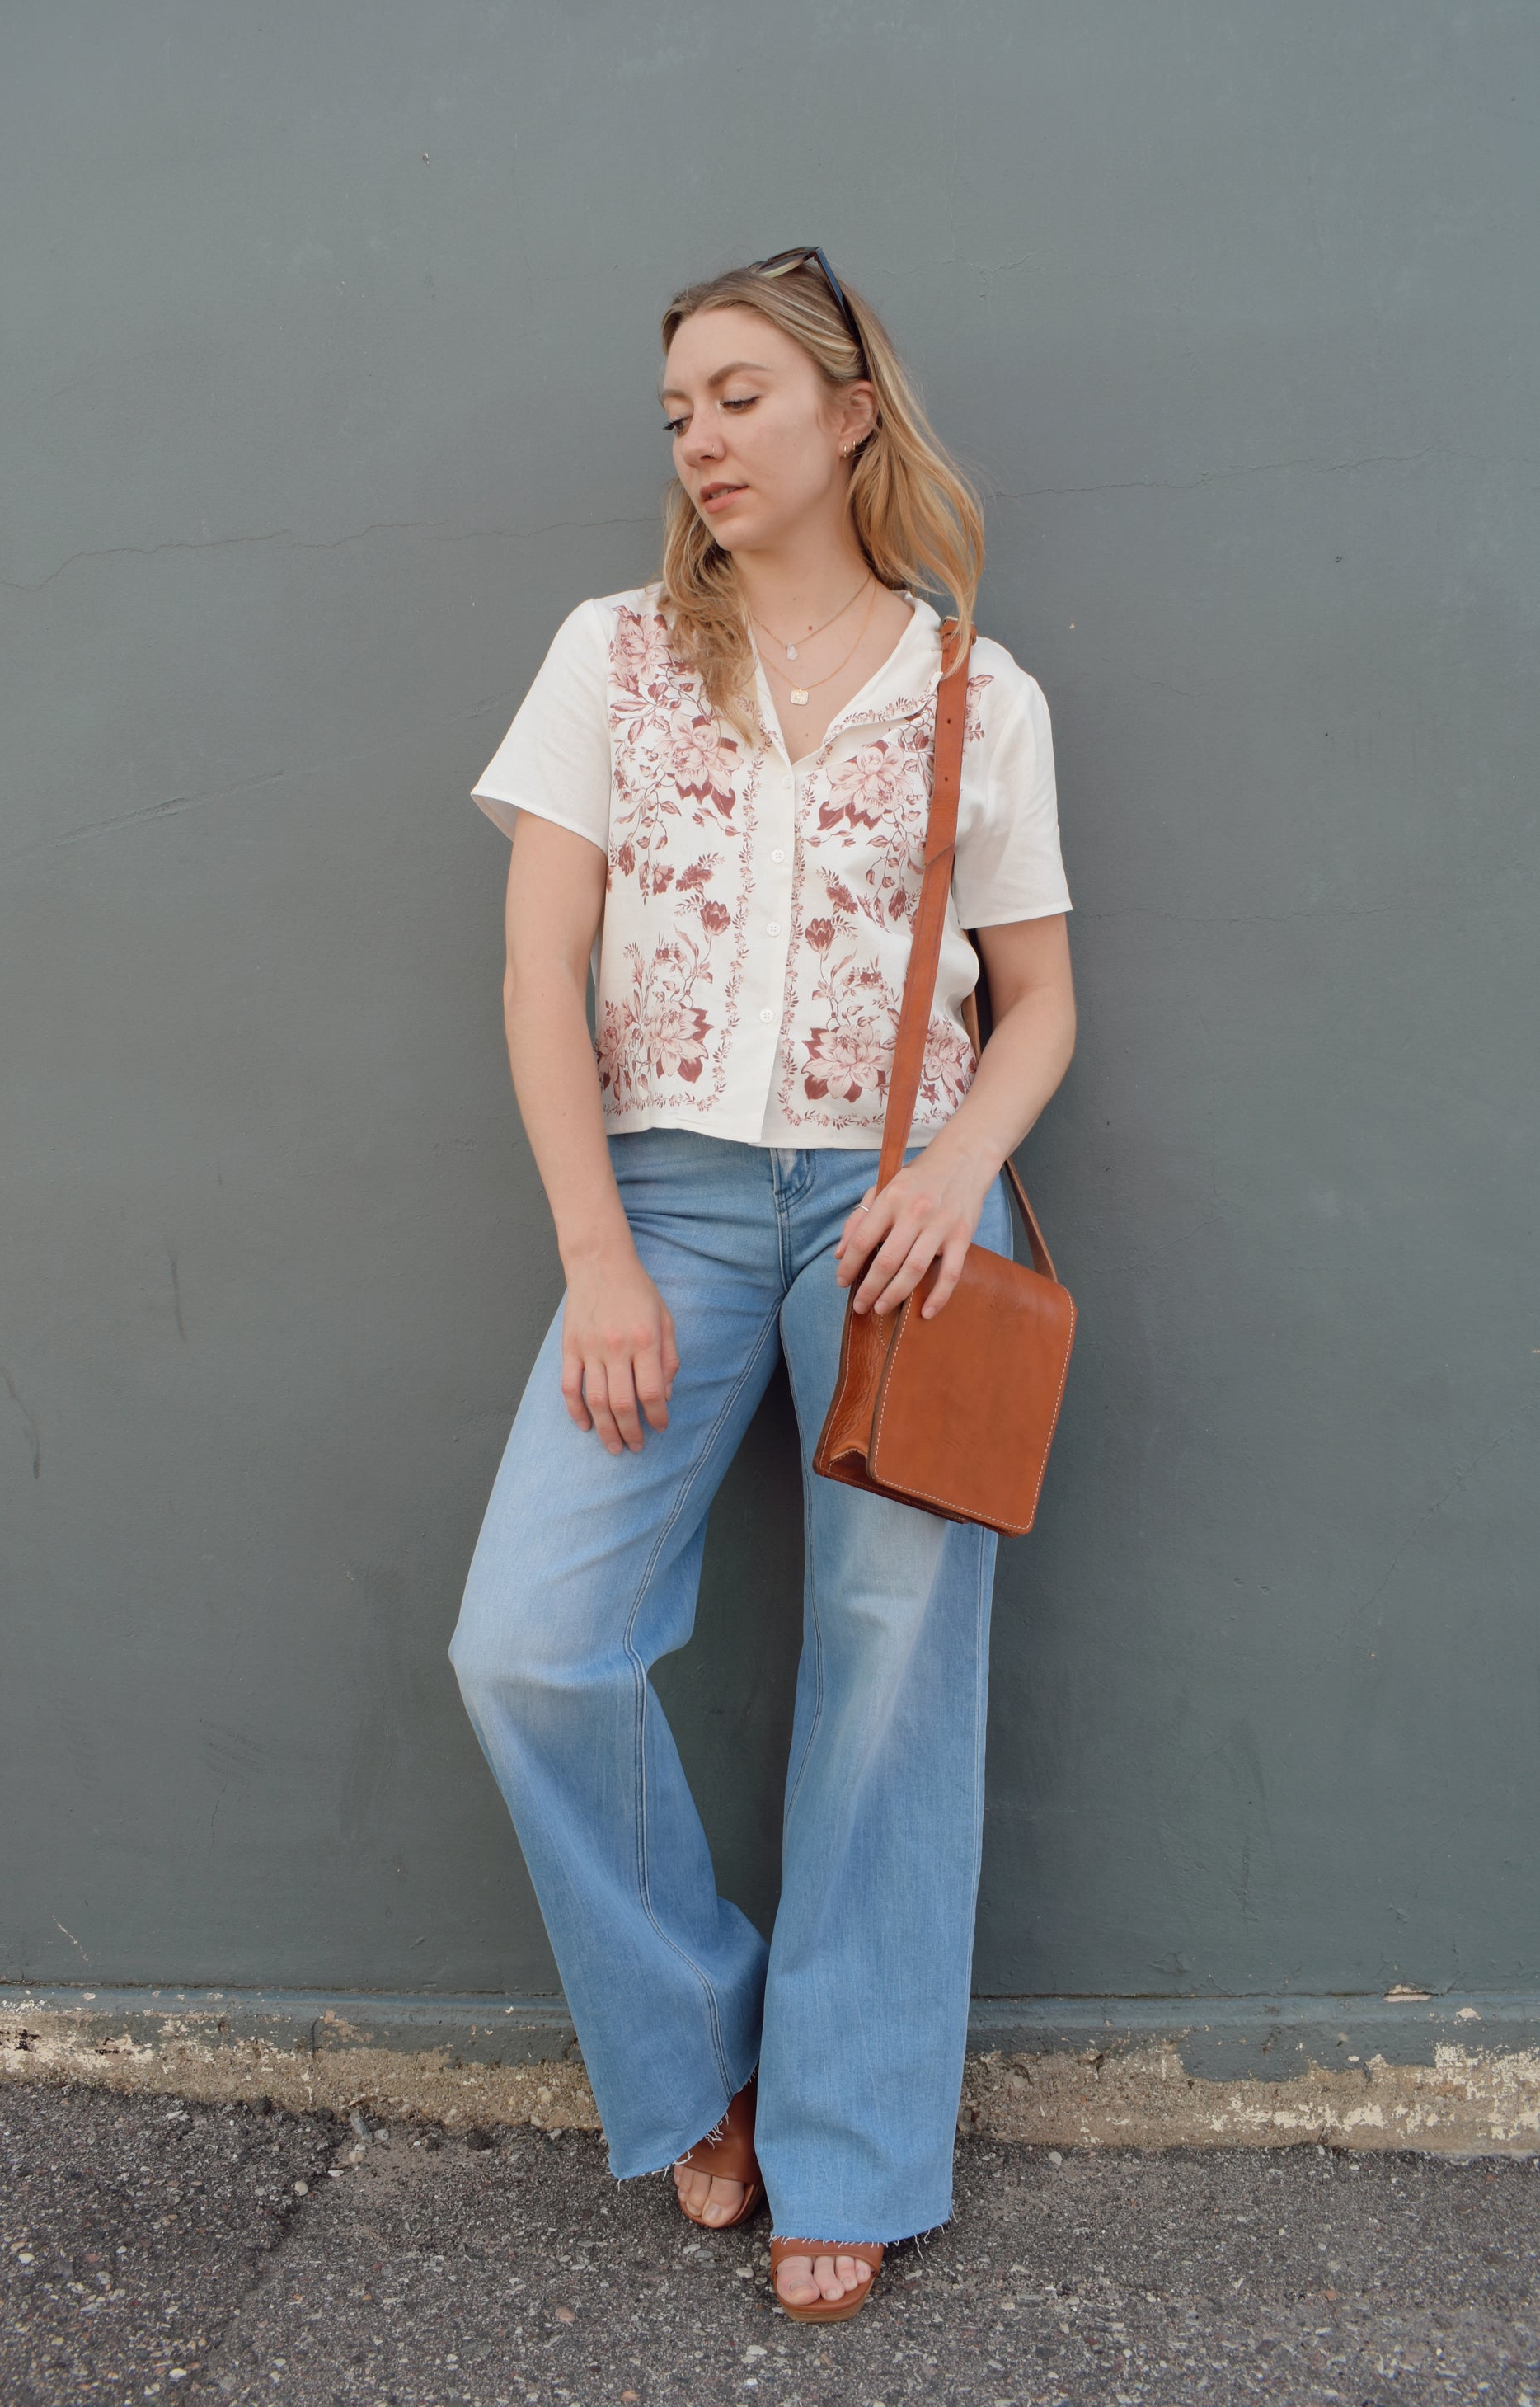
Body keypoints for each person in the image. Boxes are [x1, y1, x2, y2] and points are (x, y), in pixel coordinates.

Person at [449, 247, 1075, 2323]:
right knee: (530, 1642)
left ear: (848, 414)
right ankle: (705, 2043)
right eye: (677, 414)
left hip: (904, 1205)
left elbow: (1043, 999)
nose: (701, 439)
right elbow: (539, 970)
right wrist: (596, 1251)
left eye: (736, 397)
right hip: (668, 1201)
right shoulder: (611, 654)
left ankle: (854, 2137)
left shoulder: (982, 691)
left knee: (895, 1660)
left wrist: (957, 1169)